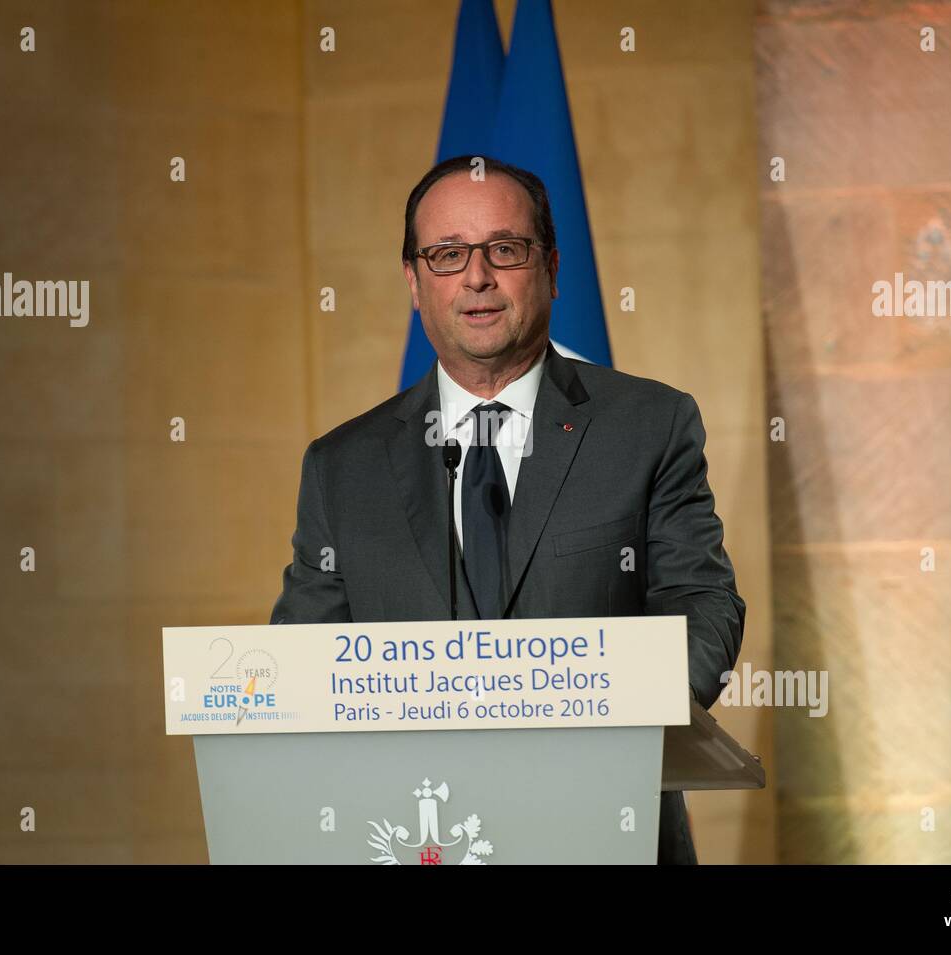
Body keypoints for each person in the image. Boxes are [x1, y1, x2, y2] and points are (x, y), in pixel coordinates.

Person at [270, 154, 746, 864]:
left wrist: (630, 716)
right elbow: (302, 664)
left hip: (605, 825)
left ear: (551, 266)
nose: (476, 276)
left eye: (505, 248)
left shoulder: (649, 425)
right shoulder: (342, 466)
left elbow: (701, 600)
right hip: (414, 837)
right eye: (447, 253)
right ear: (413, 280)